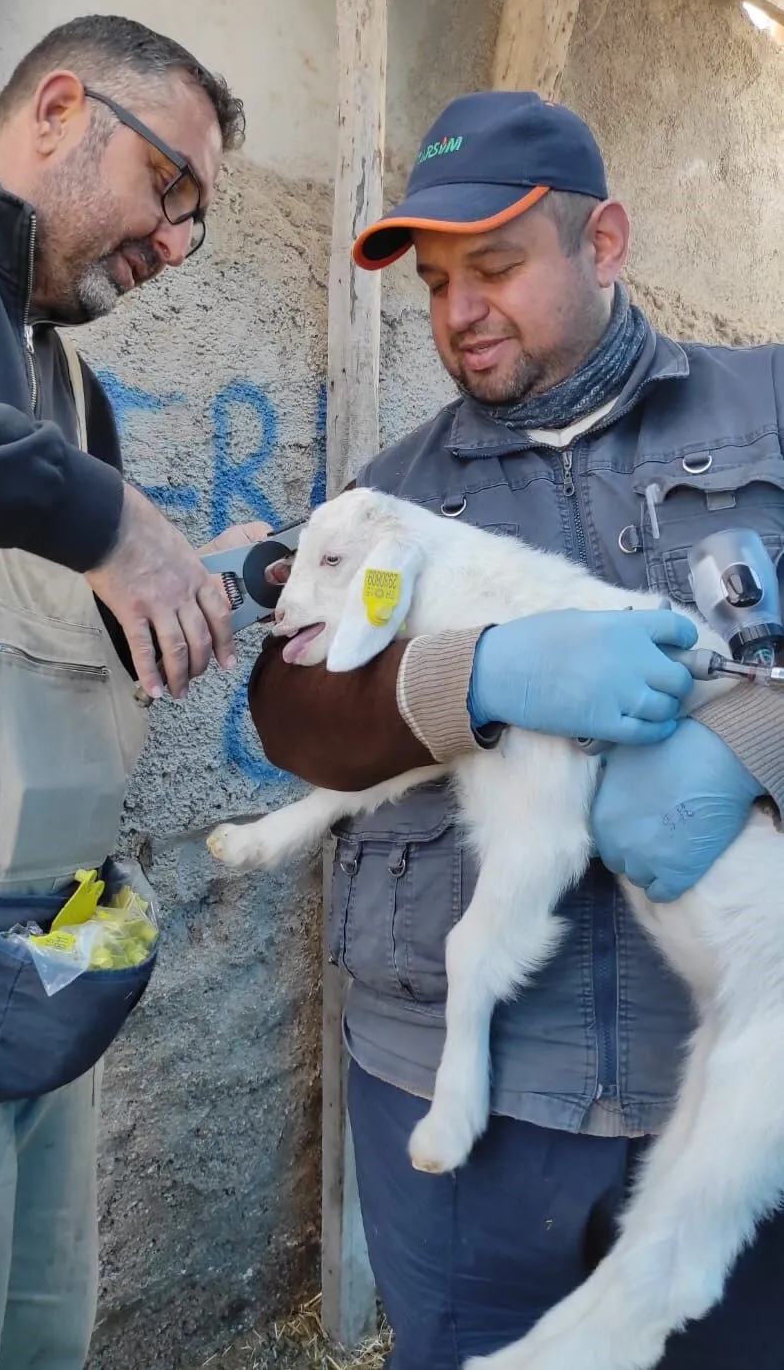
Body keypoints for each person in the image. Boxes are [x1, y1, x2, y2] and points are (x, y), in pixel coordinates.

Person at [248, 90, 784, 1368]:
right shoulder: (394, 490)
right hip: (458, 1095)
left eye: (494, 266)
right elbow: (291, 719)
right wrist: (472, 675)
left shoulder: (768, 407)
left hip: (721, 1062)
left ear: (603, 242)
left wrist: (758, 737)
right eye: (435, 282)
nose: (459, 312)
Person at [0, 13, 259, 1370]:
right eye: (169, 189)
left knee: (39, 1334)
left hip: (40, 994)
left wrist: (189, 581)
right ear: (57, 106)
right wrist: (109, 524)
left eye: (195, 227)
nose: (172, 245)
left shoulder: (75, 393)